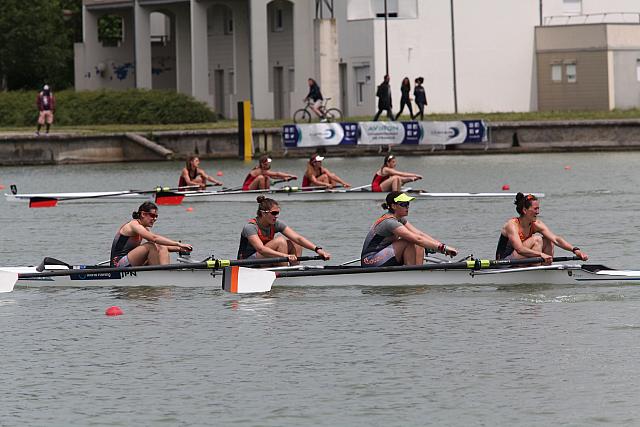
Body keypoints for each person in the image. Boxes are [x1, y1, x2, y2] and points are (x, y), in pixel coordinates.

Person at [361, 191, 458, 266]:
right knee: (410, 241)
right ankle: (411, 272)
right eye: (403, 204)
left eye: (407, 204)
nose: (407, 207)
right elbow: (417, 239)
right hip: (370, 261)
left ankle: (418, 272)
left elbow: (420, 235)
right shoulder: (389, 222)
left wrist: (442, 248)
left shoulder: (400, 219)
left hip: (385, 256)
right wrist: (443, 248)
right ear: (393, 206)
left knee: (418, 243)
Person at [496, 193, 589, 264]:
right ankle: (536, 270)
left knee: (549, 240)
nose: (538, 212)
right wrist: (541, 254)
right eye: (535, 209)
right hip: (505, 262)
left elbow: (556, 239)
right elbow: (519, 249)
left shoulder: (536, 224)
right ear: (525, 210)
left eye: (538, 209)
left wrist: (575, 250)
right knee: (537, 240)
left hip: (522, 259)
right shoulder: (512, 225)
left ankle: (545, 267)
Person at [237, 196, 331, 265]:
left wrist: (318, 250)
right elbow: (261, 249)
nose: (276, 216)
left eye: (277, 213)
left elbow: (298, 238)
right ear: (263, 213)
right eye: (274, 213)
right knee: (281, 241)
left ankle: (295, 270)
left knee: (296, 243)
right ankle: (285, 273)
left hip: (265, 260)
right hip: (247, 263)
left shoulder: (276, 224)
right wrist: (284, 256)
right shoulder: (250, 227)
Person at [110, 202, 193, 267]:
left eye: (156, 216)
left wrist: (180, 248)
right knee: (150, 246)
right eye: (152, 216)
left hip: (130, 261)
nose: (155, 219)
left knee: (162, 246)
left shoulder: (144, 228)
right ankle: (157, 275)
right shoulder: (133, 225)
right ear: (143, 214)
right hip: (118, 264)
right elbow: (154, 238)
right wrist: (177, 243)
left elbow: (159, 244)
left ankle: (165, 274)